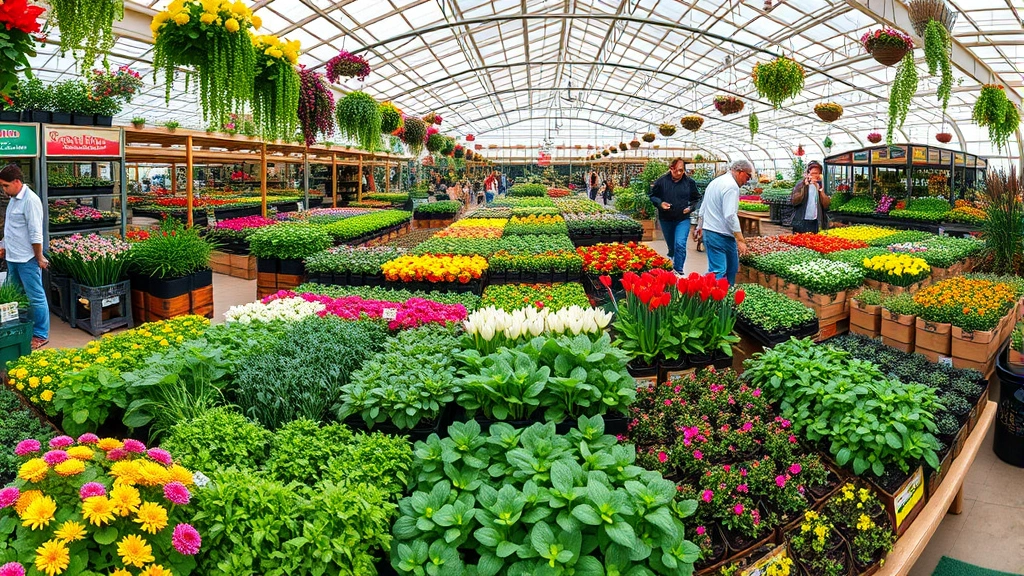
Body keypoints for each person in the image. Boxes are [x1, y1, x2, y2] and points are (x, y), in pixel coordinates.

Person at [0, 165, 49, 349]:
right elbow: (11, 228)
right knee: (15, 295)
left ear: (17, 182)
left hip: (27, 259)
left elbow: (36, 233)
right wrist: (4, 246)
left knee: (35, 297)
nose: (3, 190)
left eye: (5, 186)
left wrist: (39, 257)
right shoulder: (14, 199)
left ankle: (40, 334)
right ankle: (21, 329)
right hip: (13, 257)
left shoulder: (31, 201)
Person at [695, 160, 752, 285]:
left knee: (732, 267)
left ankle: (727, 298)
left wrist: (699, 226)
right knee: (719, 271)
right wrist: (741, 240)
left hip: (718, 233)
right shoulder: (731, 186)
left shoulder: (716, 182)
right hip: (717, 234)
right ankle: (715, 301)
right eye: (748, 177)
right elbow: (730, 215)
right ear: (740, 172)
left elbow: (703, 207)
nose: (747, 181)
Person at [648, 158, 700, 274]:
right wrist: (660, 203)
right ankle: (671, 255)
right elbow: (652, 196)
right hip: (666, 219)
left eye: (681, 171)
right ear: (671, 169)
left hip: (682, 219)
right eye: (677, 170)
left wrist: (691, 207)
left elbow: (697, 198)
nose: (679, 173)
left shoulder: (689, 182)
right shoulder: (661, 181)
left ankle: (679, 270)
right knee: (672, 246)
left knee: (680, 244)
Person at [790, 160, 830, 233]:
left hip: (816, 221)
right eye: (813, 173)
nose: (816, 175)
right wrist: (804, 187)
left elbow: (826, 205)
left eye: (818, 173)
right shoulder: (801, 184)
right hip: (801, 220)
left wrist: (820, 190)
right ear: (808, 174)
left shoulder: (822, 185)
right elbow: (794, 201)